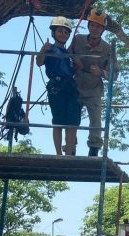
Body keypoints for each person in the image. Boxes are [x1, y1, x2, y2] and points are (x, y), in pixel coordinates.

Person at [70, 8, 118, 156]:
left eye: (98, 26)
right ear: (88, 25)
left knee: (96, 121)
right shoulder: (78, 40)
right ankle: (70, 147)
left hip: (94, 89)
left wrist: (101, 72)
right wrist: (74, 60)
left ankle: (94, 149)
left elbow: (114, 74)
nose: (95, 29)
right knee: (72, 119)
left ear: (103, 29)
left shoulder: (107, 49)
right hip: (76, 86)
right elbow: (67, 55)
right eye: (92, 25)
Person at [36, 17, 80, 156]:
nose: (63, 34)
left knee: (73, 122)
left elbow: (76, 68)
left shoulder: (69, 53)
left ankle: (68, 154)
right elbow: (39, 62)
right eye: (60, 31)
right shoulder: (50, 48)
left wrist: (76, 61)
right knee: (58, 120)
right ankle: (58, 154)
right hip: (56, 86)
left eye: (66, 32)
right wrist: (43, 50)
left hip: (70, 86)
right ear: (53, 33)